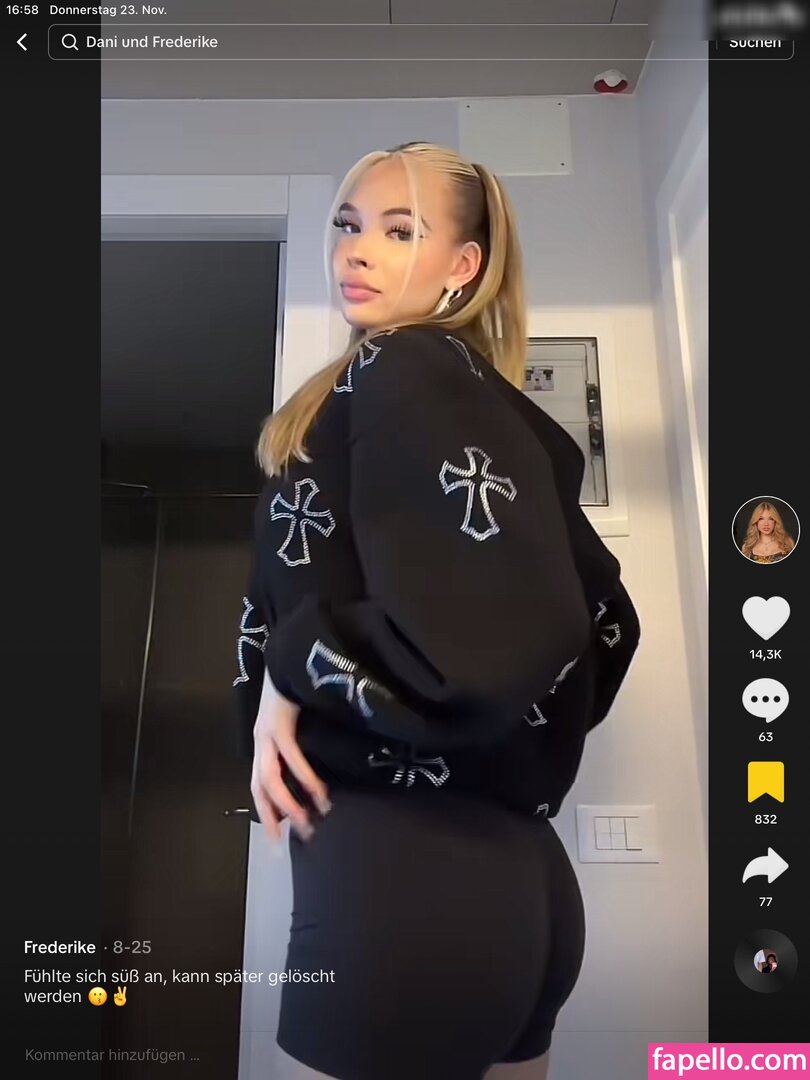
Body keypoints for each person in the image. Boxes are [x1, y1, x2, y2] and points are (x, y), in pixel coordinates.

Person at [233, 142, 641, 1080]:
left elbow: (483, 641)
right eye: (348, 225)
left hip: (398, 882)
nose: (357, 249)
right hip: (515, 878)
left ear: (464, 264)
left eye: (400, 230)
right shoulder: (496, 411)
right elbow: (599, 622)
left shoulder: (404, 367)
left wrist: (293, 666)